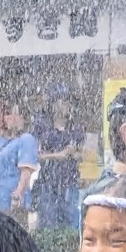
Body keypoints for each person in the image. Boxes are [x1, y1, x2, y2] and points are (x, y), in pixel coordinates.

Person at [34, 85, 85, 229]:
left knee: (73, 224)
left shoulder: (75, 128)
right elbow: (36, 155)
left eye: (67, 102)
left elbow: (83, 155)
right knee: (49, 224)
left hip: (70, 182)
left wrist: (74, 153)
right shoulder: (43, 127)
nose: (66, 105)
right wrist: (58, 155)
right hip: (48, 183)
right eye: (62, 101)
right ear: (53, 104)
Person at [0, 100, 38, 219]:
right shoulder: (1, 140)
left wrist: (18, 193)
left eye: (18, 114)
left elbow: (26, 170)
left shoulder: (26, 139)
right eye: (9, 113)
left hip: (12, 202)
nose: (13, 118)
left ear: (24, 119)